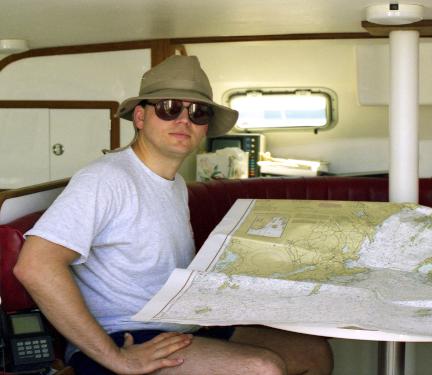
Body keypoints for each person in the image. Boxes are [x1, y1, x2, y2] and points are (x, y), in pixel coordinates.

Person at [14, 55, 333, 375]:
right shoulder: (106, 179)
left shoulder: (175, 183)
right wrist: (117, 357)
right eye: (169, 108)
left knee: (312, 351)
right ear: (140, 117)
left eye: (198, 112)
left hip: (183, 324)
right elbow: (35, 265)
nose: (184, 120)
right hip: (126, 335)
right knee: (262, 368)